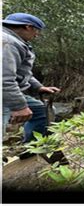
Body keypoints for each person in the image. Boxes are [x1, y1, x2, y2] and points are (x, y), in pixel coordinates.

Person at [2, 13, 61, 144]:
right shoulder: (7, 43)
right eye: (36, 30)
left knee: (40, 111)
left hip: (9, 91)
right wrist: (19, 106)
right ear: (28, 27)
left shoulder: (15, 41)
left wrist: (38, 87)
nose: (37, 35)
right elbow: (4, 79)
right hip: (4, 94)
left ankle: (32, 147)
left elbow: (21, 72)